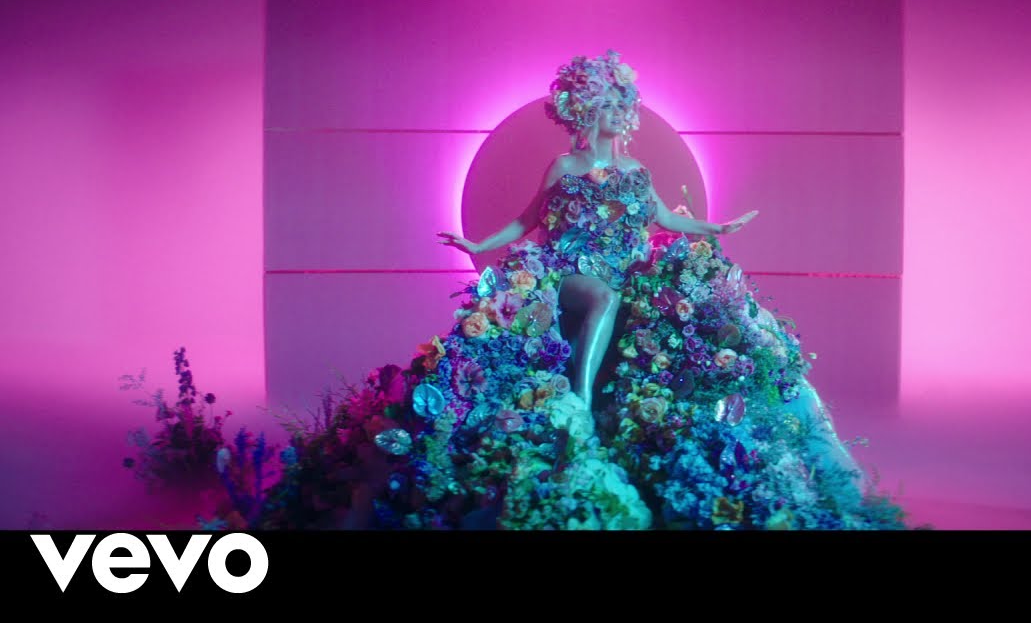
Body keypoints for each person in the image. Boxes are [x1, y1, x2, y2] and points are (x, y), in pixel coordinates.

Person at [258, 51, 908, 531]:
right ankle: (580, 401)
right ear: (585, 111)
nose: (613, 119)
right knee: (600, 299)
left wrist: (715, 228)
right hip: (567, 268)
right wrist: (477, 246)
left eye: (617, 109)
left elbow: (666, 218)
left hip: (628, 268)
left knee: (707, 309)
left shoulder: (636, 170)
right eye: (604, 108)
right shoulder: (563, 166)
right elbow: (527, 222)